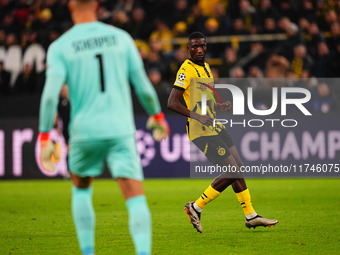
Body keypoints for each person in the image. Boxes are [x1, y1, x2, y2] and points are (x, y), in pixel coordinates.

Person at [38, 1, 170, 255]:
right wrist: (157, 115)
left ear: (70, 5)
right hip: (120, 129)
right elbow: (142, 85)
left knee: (81, 190)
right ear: (97, 4)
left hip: (84, 132)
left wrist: (45, 135)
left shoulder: (60, 47)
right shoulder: (121, 38)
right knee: (135, 198)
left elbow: (50, 97)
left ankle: (88, 252)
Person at [167, 32, 278, 233]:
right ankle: (196, 206)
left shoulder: (207, 68)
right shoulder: (186, 70)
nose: (199, 49)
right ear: (188, 48)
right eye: (194, 47)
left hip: (214, 123)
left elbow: (203, 98)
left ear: (206, 47)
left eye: (202, 46)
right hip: (200, 129)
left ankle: (250, 215)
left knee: (238, 168)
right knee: (232, 170)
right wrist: (196, 116)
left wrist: (219, 105)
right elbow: (172, 102)